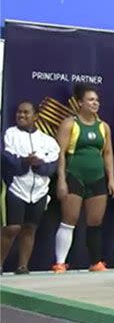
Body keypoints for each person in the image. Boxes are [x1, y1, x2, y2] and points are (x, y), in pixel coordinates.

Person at [52, 84, 114, 273]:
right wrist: (62, 180)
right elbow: (61, 153)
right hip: (74, 176)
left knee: (95, 221)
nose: (95, 103)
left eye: (97, 100)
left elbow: (108, 154)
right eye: (90, 100)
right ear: (80, 103)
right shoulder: (70, 124)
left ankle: (96, 262)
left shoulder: (103, 127)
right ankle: (60, 262)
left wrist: (111, 179)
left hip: (97, 178)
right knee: (69, 219)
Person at [1, 102, 59, 274]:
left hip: (39, 191)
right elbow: (6, 158)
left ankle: (23, 266)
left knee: (30, 228)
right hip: (16, 188)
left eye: (26, 112)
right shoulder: (10, 134)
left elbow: (53, 165)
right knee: (12, 228)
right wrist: (24, 162)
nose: (21, 115)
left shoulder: (48, 140)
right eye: (19, 112)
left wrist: (40, 165)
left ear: (35, 116)